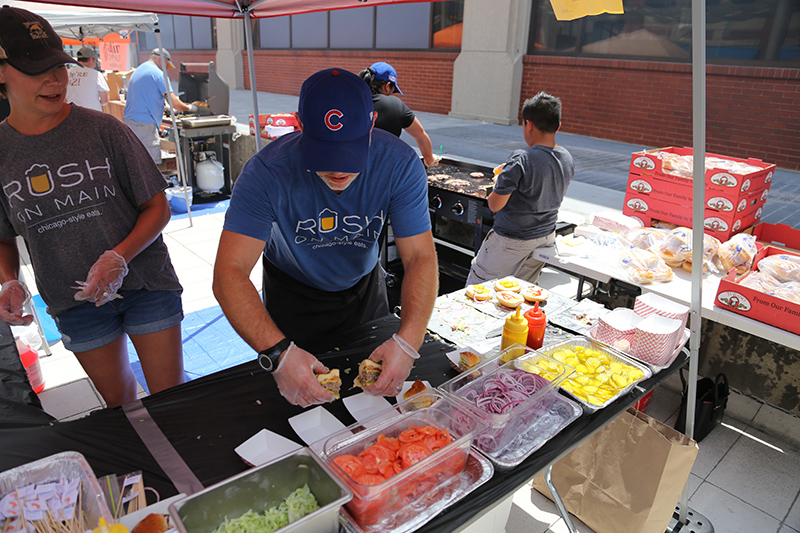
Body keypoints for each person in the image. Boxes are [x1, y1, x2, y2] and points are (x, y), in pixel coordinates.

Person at [212, 67, 438, 408]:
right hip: (293, 294)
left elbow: (420, 255)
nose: (338, 170)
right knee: (298, 406)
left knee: (374, 407)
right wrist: (278, 354)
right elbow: (229, 272)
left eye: (349, 153)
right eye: (326, 154)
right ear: (300, 124)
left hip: (364, 291)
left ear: (372, 121)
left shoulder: (399, 164)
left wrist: (409, 341)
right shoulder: (266, 173)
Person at [0, 6, 185, 408]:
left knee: (173, 402)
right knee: (121, 408)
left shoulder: (104, 130)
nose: (54, 79)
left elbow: (158, 206)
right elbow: (3, 235)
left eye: (59, 66)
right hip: (73, 300)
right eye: (36, 69)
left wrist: (119, 257)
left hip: (145, 284)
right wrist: (8, 280)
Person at [466, 92, 575, 286]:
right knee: (517, 296)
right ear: (558, 126)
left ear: (529, 124)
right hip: (545, 237)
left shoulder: (522, 158)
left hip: (510, 241)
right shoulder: (566, 157)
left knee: (479, 292)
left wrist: (500, 179)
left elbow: (494, 205)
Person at [358, 62, 439, 167]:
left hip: (350, 170)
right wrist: (429, 160)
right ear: (387, 86)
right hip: (384, 170)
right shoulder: (394, 104)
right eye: (393, 90)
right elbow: (420, 135)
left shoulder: (352, 100)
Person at [123, 48, 196, 163]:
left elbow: (145, 94)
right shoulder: (158, 74)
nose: (166, 68)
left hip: (130, 122)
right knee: (149, 163)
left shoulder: (139, 69)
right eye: (167, 64)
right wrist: (191, 108)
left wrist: (164, 105)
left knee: (135, 161)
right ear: (161, 59)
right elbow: (175, 103)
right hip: (144, 125)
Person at [65, 46, 109, 112]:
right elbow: (104, 101)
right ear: (90, 59)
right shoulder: (96, 75)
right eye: (95, 62)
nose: (94, 65)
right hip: (92, 113)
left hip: (71, 113)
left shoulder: (67, 74)